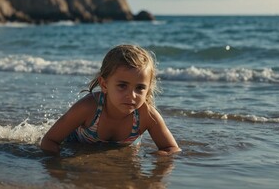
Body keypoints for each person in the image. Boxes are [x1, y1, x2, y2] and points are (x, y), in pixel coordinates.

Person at [40, 44, 181, 155]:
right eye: (122, 86)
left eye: (140, 88)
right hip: (77, 149)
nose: (132, 95)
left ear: (148, 89)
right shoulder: (88, 108)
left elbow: (172, 149)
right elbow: (49, 140)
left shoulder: (147, 115)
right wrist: (58, 169)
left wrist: (154, 159)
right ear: (104, 84)